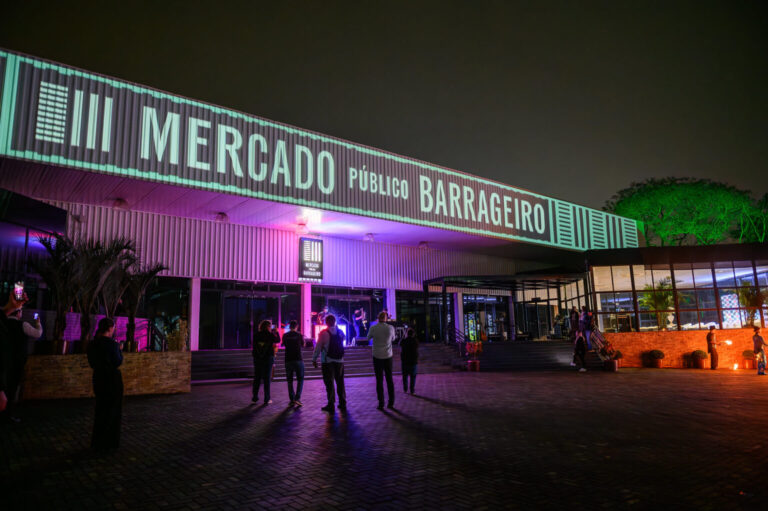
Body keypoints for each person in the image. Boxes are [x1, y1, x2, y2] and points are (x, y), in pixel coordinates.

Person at [87, 317, 123, 449]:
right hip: (112, 379)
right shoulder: (112, 344)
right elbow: (118, 361)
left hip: (98, 378)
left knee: (101, 409)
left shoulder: (92, 344)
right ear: (110, 329)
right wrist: (119, 349)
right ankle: (109, 442)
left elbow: (91, 362)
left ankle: (98, 441)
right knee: (112, 411)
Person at [0, 309, 43, 422]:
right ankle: (7, 414)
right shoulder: (23, 325)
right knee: (12, 388)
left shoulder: (2, 323)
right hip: (16, 362)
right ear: (18, 313)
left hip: (3, 360)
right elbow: (37, 333)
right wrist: (38, 323)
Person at [313, 314, 346, 412]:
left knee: (329, 383)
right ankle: (342, 402)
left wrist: (314, 359)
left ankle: (331, 404)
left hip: (327, 361)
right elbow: (343, 340)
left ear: (326, 322)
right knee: (340, 382)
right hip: (339, 360)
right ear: (335, 322)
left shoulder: (323, 333)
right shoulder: (340, 332)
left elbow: (318, 347)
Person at [365, 311, 396, 410]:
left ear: (378, 318)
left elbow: (368, 337)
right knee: (389, 379)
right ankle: (391, 402)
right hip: (388, 356)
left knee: (379, 380)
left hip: (377, 356)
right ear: (386, 318)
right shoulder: (390, 328)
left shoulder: (373, 327)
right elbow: (393, 339)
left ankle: (381, 402)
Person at [252, 320, 278, 404]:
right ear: (267, 327)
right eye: (270, 326)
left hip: (258, 358)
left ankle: (254, 397)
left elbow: (254, 345)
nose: (271, 328)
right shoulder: (270, 334)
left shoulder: (256, 335)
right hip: (268, 358)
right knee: (267, 378)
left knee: (257, 377)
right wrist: (276, 332)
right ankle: (267, 398)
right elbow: (277, 340)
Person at [282, 320, 305, 405]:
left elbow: (283, 344)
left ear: (289, 326)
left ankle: (292, 399)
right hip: (298, 359)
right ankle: (297, 398)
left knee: (289, 380)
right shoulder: (299, 335)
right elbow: (303, 344)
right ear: (297, 326)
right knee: (300, 379)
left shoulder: (285, 335)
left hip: (288, 359)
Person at [400, 328, 419, 395]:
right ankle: (412, 390)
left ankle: (405, 389)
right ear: (413, 334)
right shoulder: (415, 341)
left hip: (405, 361)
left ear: (407, 334)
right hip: (413, 362)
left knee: (405, 376)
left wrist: (404, 336)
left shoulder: (404, 341)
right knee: (413, 377)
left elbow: (399, 343)